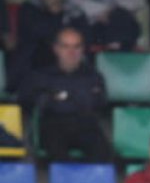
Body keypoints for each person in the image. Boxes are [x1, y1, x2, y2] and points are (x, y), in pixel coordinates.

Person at [18, 27, 113, 161]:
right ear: (56, 49)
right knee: (58, 154)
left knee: (103, 152)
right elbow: (26, 99)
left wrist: (60, 98)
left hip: (85, 124)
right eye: (65, 47)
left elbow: (101, 102)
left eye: (76, 47)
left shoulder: (93, 76)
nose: (71, 52)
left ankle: (93, 182)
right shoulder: (41, 75)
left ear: (82, 49)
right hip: (52, 124)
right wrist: (50, 100)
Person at [10, 0, 91, 93]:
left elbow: (84, 38)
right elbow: (42, 35)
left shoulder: (75, 12)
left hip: (69, 71)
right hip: (33, 71)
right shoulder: (28, 10)